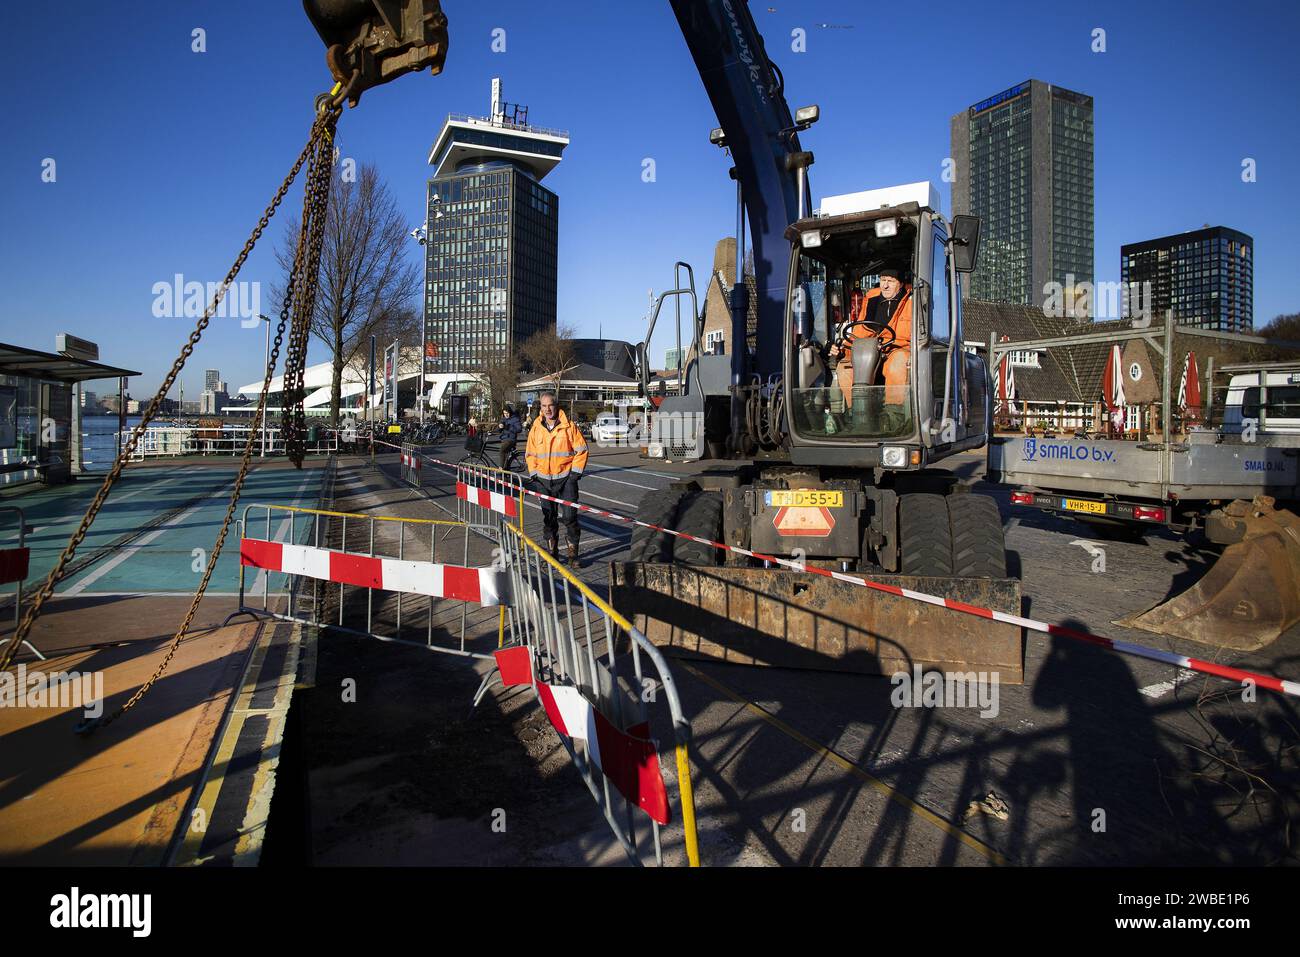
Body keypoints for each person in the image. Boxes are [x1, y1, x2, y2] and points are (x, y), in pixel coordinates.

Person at [834, 266, 913, 410]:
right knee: (845, 368)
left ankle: (893, 414)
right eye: (883, 280)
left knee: (898, 363)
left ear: (901, 284)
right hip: (870, 350)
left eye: (891, 281)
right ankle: (857, 412)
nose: (886, 285)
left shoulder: (910, 302)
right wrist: (842, 350)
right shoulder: (871, 300)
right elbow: (858, 334)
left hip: (896, 350)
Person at [525, 390, 588, 564]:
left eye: (550, 405)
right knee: (549, 518)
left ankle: (573, 555)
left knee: (569, 517)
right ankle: (552, 554)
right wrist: (534, 474)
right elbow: (530, 453)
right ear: (541, 407)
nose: (547, 409)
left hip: (566, 480)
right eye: (544, 406)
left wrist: (575, 474)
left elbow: (581, 450)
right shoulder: (536, 428)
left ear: (556, 405)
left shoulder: (569, 427)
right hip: (544, 481)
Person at [498, 404, 522, 470]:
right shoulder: (503, 419)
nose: (506, 415)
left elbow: (519, 429)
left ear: (510, 412)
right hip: (504, 438)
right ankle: (505, 468)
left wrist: (509, 427)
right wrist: (499, 427)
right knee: (505, 454)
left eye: (507, 413)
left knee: (502, 450)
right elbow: (499, 429)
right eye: (504, 413)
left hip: (511, 439)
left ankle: (501, 467)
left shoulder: (515, 419)